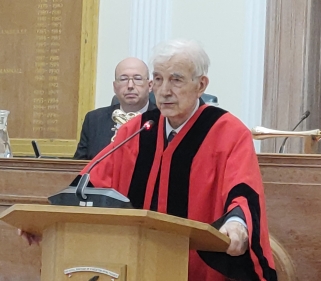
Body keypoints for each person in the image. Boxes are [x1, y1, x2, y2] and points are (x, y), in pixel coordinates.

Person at [76, 39, 277, 281]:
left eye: (176, 79)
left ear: (201, 84)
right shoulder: (138, 130)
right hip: (138, 268)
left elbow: (243, 193)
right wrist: (51, 221)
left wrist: (236, 225)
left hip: (201, 273)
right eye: (158, 79)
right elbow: (90, 183)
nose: (164, 91)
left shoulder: (228, 133)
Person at [73, 57, 156, 160]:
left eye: (137, 79)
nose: (130, 86)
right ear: (115, 87)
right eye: (123, 79)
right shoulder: (94, 120)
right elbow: (78, 167)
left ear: (150, 85)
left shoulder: (163, 119)